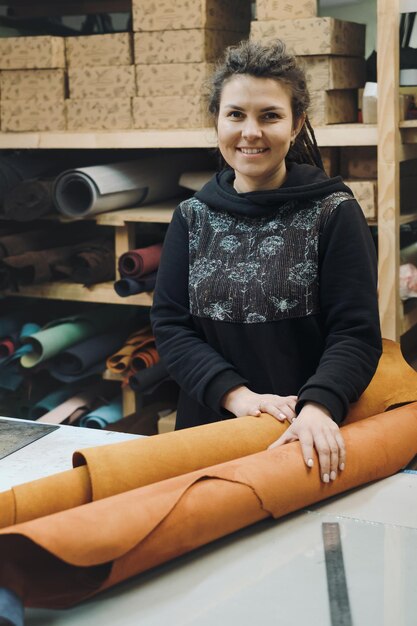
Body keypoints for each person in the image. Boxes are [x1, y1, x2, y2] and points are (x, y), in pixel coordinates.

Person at [151, 39, 382, 483]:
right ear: (217, 121)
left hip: (304, 437)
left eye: (269, 116)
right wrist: (238, 397)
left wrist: (319, 406)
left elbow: (355, 334)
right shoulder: (192, 216)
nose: (250, 132)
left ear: (296, 126)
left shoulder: (333, 212)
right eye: (235, 114)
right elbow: (171, 326)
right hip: (212, 432)